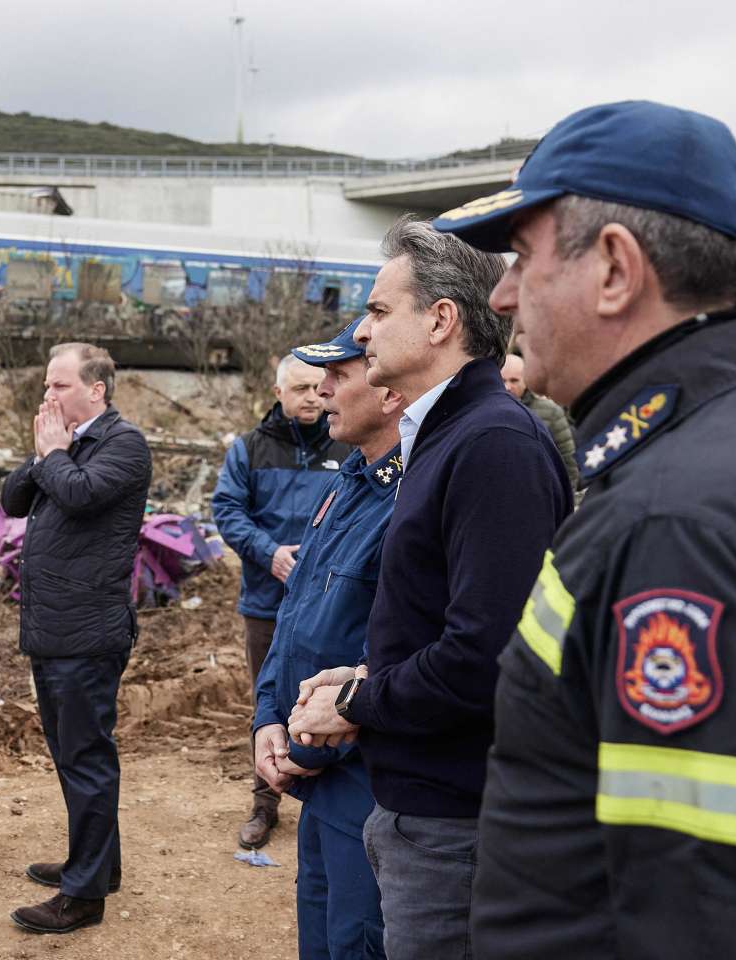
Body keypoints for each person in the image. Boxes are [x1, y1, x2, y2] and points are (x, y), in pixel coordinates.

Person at [432, 99, 736, 957]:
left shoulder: (676, 519)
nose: (503, 294)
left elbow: (728, 921)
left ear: (615, 269)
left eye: (524, 257)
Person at [286, 218, 572, 959]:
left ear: (441, 320)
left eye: (379, 312)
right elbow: (448, 619)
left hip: (456, 821)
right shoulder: (452, 436)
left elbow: (490, 655)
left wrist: (357, 700)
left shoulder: (492, 444)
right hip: (425, 807)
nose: (361, 329)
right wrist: (363, 674)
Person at [252, 318, 404, 959]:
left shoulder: (408, 497)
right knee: (319, 934)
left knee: (356, 940)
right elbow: (295, 619)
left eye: (339, 377)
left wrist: (309, 749)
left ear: (388, 392)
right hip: (316, 772)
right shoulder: (347, 482)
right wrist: (267, 715)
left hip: (361, 776)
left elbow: (388, 655)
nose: (324, 393)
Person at [0, 342, 152, 935]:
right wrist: (44, 455)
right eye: (46, 385)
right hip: (53, 628)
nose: (48, 396)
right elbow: (12, 501)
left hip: (87, 632)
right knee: (72, 755)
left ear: (97, 391)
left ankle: (84, 897)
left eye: (59, 386)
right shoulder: (64, 445)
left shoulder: (124, 444)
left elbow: (82, 494)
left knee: (87, 759)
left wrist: (56, 455)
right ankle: (98, 864)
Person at [213, 353, 352, 849]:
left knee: (332, 698)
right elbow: (227, 510)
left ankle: (325, 793)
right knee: (267, 700)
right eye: (300, 389)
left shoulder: (347, 444)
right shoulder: (249, 448)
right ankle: (264, 801)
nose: (312, 397)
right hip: (266, 600)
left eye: (319, 387)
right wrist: (268, 553)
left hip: (331, 606)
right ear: (279, 394)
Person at [501, 353, 578, 489]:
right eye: (503, 380)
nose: (508, 387)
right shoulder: (485, 411)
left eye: (514, 381)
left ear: (525, 380)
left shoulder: (551, 413)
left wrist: (568, 502)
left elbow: (569, 462)